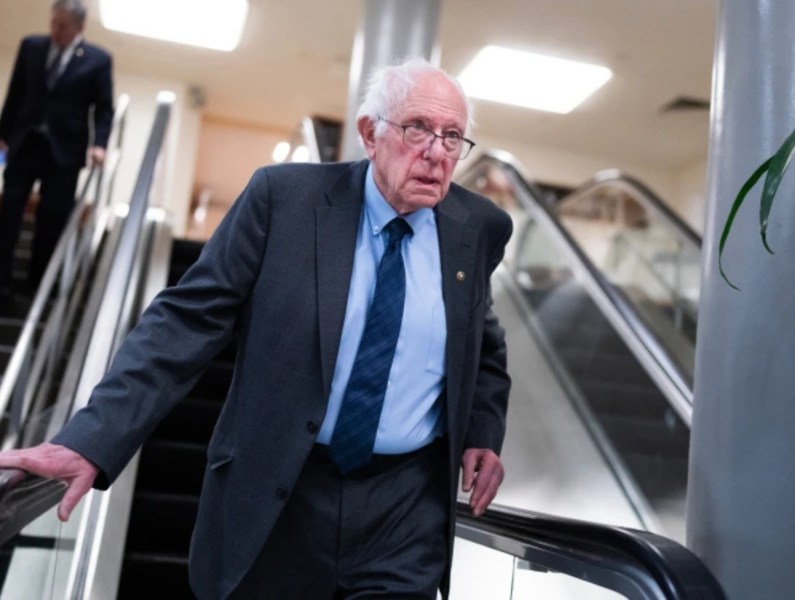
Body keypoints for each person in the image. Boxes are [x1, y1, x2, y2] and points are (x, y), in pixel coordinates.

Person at [0, 58, 512, 599]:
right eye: (417, 130)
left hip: (404, 512)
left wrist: (482, 429)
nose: (436, 153)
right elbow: (183, 323)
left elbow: (482, 338)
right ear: (369, 133)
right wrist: (90, 442)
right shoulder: (283, 201)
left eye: (453, 137)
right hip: (281, 494)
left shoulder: (476, 228)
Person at [0, 0, 113, 305]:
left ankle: (36, 287)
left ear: (80, 28)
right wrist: (3, 133)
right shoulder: (31, 46)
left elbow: (104, 108)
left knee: (51, 219)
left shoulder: (98, 60)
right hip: (26, 145)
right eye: (54, 23)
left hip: (65, 154)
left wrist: (100, 143)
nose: (56, 30)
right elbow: (15, 93)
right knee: (9, 212)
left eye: (64, 26)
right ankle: (2, 283)